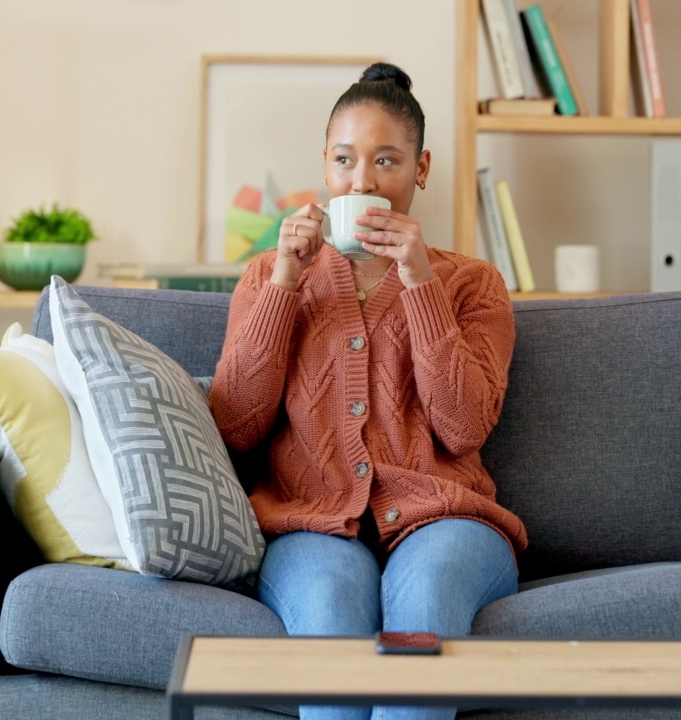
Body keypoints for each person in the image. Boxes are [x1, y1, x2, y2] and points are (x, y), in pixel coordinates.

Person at [209, 62, 528, 720]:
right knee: (327, 610)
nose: (362, 181)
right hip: (312, 526)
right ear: (324, 165)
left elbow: (464, 429)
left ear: (421, 168)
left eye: (386, 161)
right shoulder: (271, 274)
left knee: (428, 594)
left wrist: (419, 285)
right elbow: (236, 425)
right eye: (346, 160)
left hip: (446, 523)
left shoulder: (472, 284)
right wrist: (284, 288)